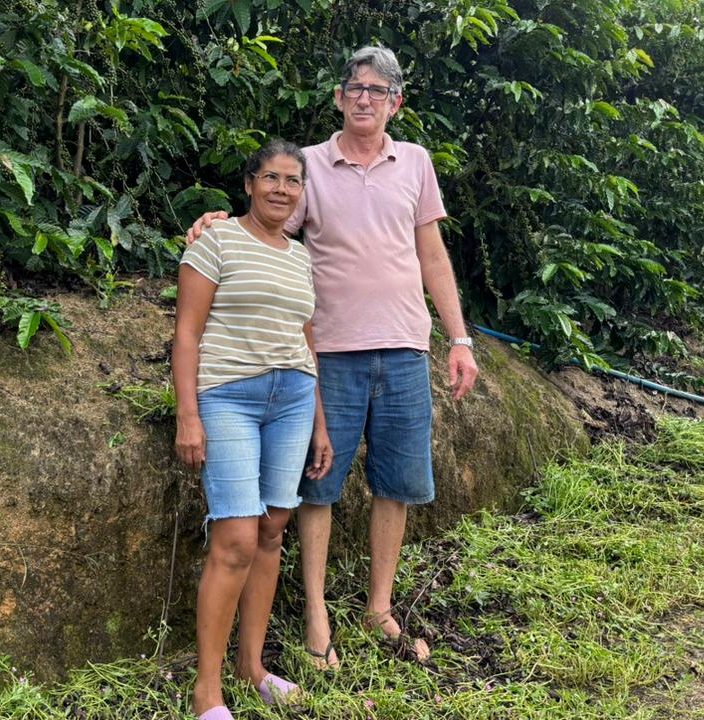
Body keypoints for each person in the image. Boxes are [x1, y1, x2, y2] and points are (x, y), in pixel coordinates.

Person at [186, 46, 479, 672]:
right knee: (318, 486)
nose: (365, 99)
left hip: (405, 345)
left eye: (378, 90)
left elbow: (431, 254)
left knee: (395, 484)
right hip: (328, 354)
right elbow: (268, 224)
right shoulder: (310, 166)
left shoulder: (416, 162)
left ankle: (379, 607)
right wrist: (217, 223)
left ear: (396, 102)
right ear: (339, 98)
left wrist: (459, 339)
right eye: (355, 88)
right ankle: (316, 614)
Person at [173, 139, 334, 720]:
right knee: (237, 538)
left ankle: (252, 666)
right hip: (228, 399)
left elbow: (306, 340)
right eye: (271, 178)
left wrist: (320, 424)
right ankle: (207, 691)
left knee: (272, 530)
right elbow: (187, 333)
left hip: (292, 401)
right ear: (249, 184)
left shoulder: (299, 256)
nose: (281, 190)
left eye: (293, 181)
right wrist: (188, 415)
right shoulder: (215, 239)